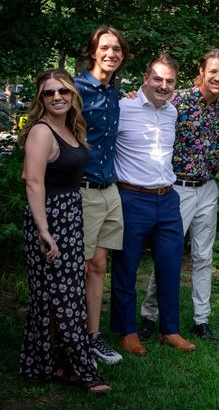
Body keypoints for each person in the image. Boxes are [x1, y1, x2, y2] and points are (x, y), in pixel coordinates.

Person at [18, 69, 110, 394]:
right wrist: (44, 230)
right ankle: (82, 371)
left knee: (57, 294)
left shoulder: (69, 128)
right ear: (40, 99)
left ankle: (50, 363)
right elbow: (32, 180)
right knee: (65, 296)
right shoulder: (42, 131)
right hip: (51, 221)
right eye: (49, 93)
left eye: (63, 92)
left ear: (73, 96)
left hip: (70, 217)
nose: (57, 97)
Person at [138, 49, 219, 343]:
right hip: (176, 188)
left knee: (204, 257)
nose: (217, 77)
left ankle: (201, 320)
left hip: (207, 188)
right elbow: (147, 104)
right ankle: (148, 316)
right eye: (213, 71)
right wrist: (134, 94)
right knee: (169, 256)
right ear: (202, 71)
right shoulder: (176, 101)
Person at [111, 54, 196, 356]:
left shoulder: (173, 111)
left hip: (167, 199)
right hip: (132, 198)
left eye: (169, 81)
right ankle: (127, 331)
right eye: (158, 79)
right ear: (145, 78)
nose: (163, 85)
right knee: (126, 268)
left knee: (171, 267)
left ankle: (169, 330)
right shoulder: (123, 107)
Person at [74, 26, 129, 364]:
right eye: (105, 48)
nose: (111, 54)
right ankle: (73, 337)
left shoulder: (114, 93)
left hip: (110, 190)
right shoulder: (75, 89)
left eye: (117, 49)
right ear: (93, 51)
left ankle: (93, 337)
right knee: (78, 267)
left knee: (98, 266)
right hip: (82, 190)